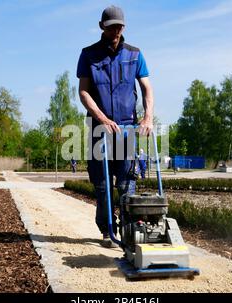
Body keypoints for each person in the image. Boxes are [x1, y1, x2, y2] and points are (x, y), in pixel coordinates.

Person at [77, 5, 154, 248]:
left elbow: (146, 88)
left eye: (120, 25)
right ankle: (106, 228)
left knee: (126, 183)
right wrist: (102, 118)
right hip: (99, 131)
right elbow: (83, 92)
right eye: (112, 26)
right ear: (102, 26)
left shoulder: (135, 54)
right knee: (102, 185)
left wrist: (148, 117)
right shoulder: (88, 54)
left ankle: (130, 230)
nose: (117, 30)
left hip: (127, 130)